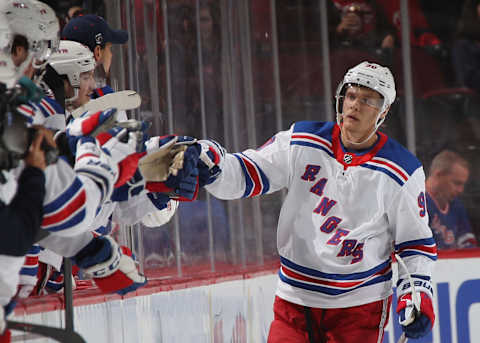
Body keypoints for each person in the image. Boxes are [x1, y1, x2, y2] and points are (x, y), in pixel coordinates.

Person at [197, 61, 437, 341]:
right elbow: (244, 173)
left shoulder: (402, 170)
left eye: (368, 100)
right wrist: (211, 163)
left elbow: (416, 244)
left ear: (384, 111)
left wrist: (416, 296)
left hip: (360, 306)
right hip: (294, 300)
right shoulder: (301, 141)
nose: (355, 105)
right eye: (351, 96)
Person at [425, 150, 477, 249]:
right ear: (438, 175)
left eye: (463, 184)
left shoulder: (456, 206)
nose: (461, 190)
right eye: (457, 183)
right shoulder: (417, 203)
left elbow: (469, 247)